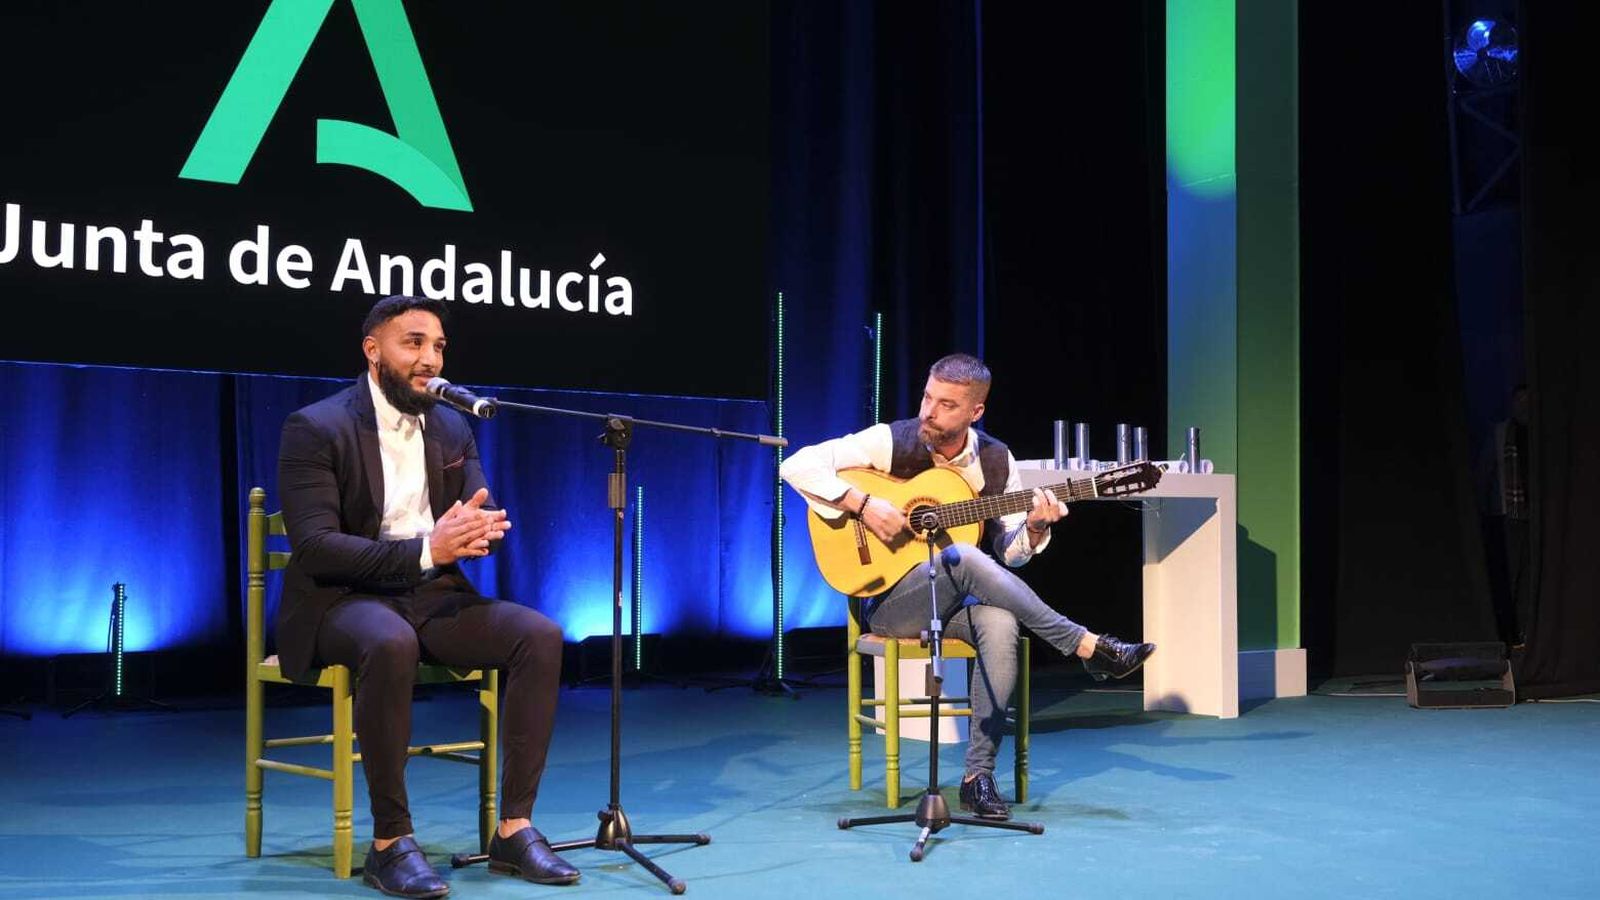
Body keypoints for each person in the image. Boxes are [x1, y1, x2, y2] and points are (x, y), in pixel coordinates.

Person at [276, 295, 579, 896]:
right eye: (412, 343)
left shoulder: (450, 423)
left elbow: (468, 517)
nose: (429, 358)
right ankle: (390, 842)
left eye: (438, 346)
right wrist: (428, 550)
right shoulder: (316, 426)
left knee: (538, 635)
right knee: (389, 642)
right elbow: (314, 546)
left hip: (430, 593)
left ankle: (514, 829)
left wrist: (477, 534)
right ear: (373, 351)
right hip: (341, 598)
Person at [780, 353, 1155, 821]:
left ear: (975, 412)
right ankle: (1085, 645)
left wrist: (1036, 528)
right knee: (963, 555)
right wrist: (864, 504)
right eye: (927, 397)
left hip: (949, 597)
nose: (929, 412)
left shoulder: (996, 462)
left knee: (998, 620)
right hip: (887, 603)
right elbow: (795, 464)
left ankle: (977, 776)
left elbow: (1013, 553)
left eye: (946, 405)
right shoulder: (889, 440)